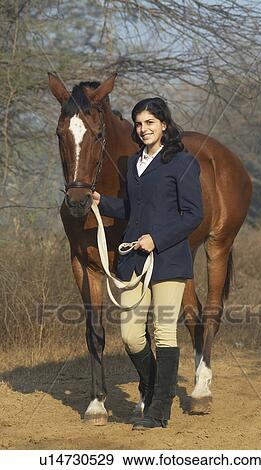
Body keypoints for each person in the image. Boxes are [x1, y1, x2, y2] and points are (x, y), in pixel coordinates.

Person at [92, 97, 203, 429]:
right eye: (138, 124)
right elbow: (132, 208)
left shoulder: (182, 161)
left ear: (164, 125)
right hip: (133, 261)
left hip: (168, 260)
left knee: (164, 331)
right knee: (130, 335)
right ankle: (157, 387)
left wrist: (158, 238)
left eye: (150, 123)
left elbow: (193, 215)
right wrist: (103, 203)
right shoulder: (132, 164)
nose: (143, 129)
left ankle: (159, 410)